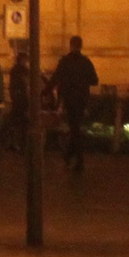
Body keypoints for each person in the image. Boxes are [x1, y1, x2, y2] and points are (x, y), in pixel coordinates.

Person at [52, 37, 99, 176]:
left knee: (75, 128)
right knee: (76, 128)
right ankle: (71, 156)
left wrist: (46, 91)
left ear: (71, 45)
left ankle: (76, 159)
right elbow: (94, 80)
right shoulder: (86, 62)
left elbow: (56, 78)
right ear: (81, 46)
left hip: (69, 99)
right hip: (82, 99)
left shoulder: (65, 61)